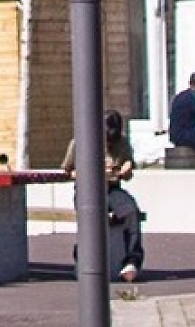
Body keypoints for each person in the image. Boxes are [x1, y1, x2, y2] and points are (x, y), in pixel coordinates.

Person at [63, 109, 146, 282]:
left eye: (112, 139)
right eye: (106, 139)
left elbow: (128, 170)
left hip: (112, 188)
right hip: (88, 189)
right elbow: (67, 171)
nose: (108, 143)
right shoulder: (80, 142)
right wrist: (92, 173)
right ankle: (83, 256)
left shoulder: (122, 143)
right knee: (91, 215)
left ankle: (132, 261)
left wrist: (126, 169)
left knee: (131, 211)